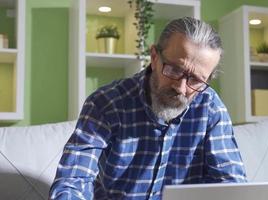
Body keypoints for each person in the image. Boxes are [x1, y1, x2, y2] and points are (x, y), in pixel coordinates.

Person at [49, 17, 246, 200]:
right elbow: (73, 181)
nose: (181, 87)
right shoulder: (105, 104)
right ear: (154, 57)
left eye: (195, 79)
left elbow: (231, 185)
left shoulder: (211, 109)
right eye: (174, 69)